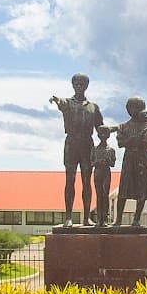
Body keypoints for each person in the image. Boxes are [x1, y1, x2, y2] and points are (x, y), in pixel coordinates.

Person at [48, 73, 102, 226]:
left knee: (87, 181)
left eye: (82, 84)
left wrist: (120, 130)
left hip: (87, 144)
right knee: (70, 180)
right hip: (71, 143)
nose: (79, 86)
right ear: (73, 85)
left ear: (86, 86)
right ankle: (68, 217)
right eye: (76, 83)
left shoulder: (93, 107)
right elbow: (61, 102)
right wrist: (56, 99)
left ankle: (86, 218)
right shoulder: (68, 103)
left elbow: (101, 128)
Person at [114, 96, 147, 227]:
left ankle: (136, 218)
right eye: (132, 107)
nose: (134, 110)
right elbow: (121, 143)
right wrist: (135, 138)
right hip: (129, 158)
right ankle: (118, 219)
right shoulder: (123, 126)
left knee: (142, 189)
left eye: (138, 107)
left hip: (143, 157)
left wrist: (138, 138)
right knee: (123, 189)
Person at [89, 125, 117, 228]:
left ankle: (104, 219)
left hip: (106, 172)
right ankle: (99, 220)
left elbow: (113, 163)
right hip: (97, 172)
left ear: (108, 135)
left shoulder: (111, 150)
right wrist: (98, 161)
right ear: (99, 135)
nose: (103, 135)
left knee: (105, 195)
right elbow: (91, 162)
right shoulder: (95, 149)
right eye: (101, 133)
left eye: (106, 133)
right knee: (99, 195)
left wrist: (107, 161)